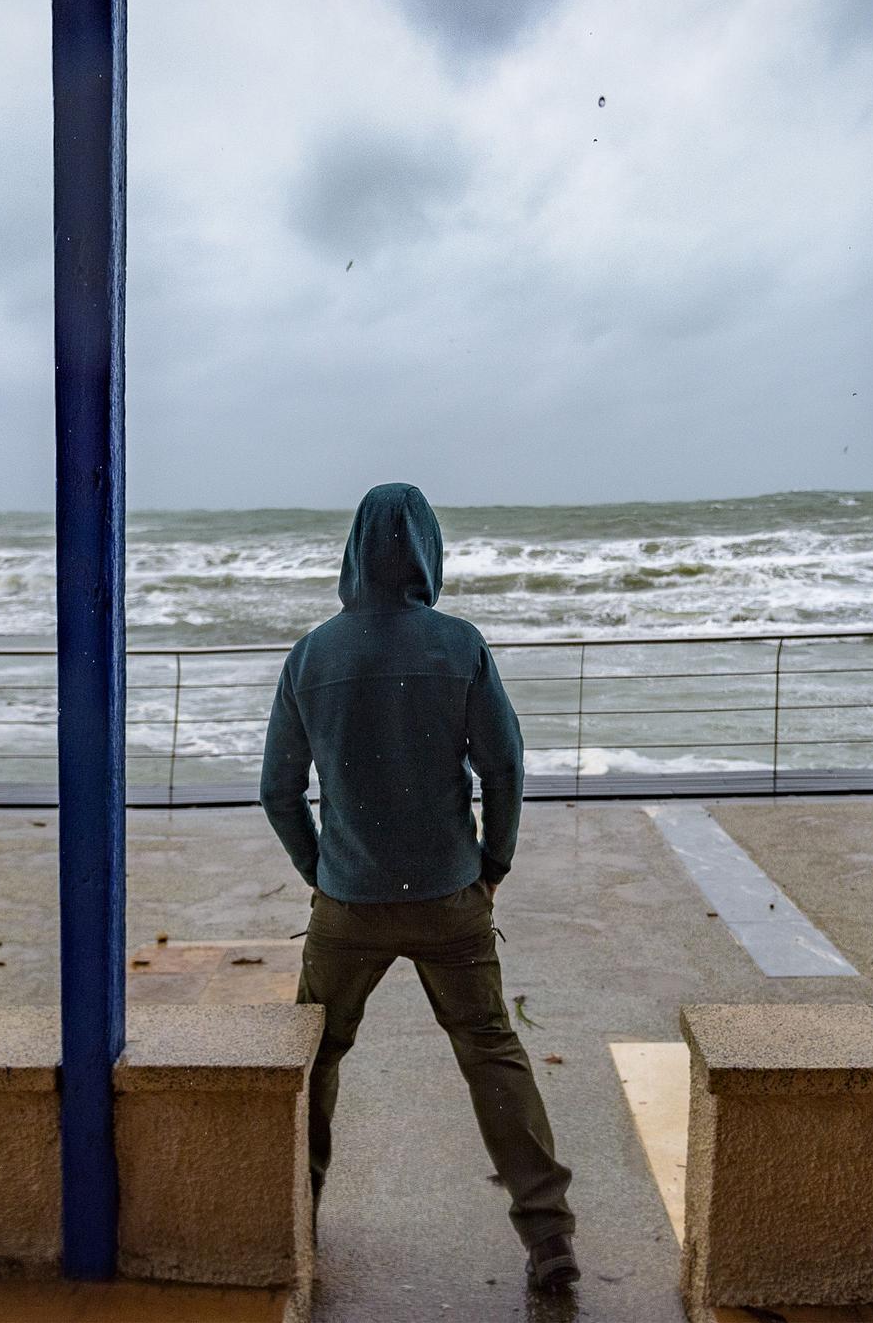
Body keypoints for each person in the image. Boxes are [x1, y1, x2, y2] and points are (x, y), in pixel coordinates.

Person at [259, 482, 579, 1291]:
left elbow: (277, 789)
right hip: (450, 895)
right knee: (491, 1051)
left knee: (316, 1055)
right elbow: (503, 766)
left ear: (352, 553)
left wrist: (320, 870)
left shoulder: (312, 654)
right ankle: (547, 1236)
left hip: (348, 903)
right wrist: (492, 864)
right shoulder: (459, 644)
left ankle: (296, 1215)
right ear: (429, 550)